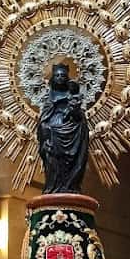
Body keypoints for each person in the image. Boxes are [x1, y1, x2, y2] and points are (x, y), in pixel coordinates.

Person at [36, 63, 89, 194]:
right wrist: (45, 130)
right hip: (52, 136)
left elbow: (79, 118)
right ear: (53, 78)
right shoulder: (48, 98)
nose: (60, 77)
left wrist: (75, 113)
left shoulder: (72, 94)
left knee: (73, 163)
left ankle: (71, 185)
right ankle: (52, 186)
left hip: (72, 133)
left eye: (63, 75)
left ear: (67, 77)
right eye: (57, 75)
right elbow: (43, 118)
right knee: (52, 162)